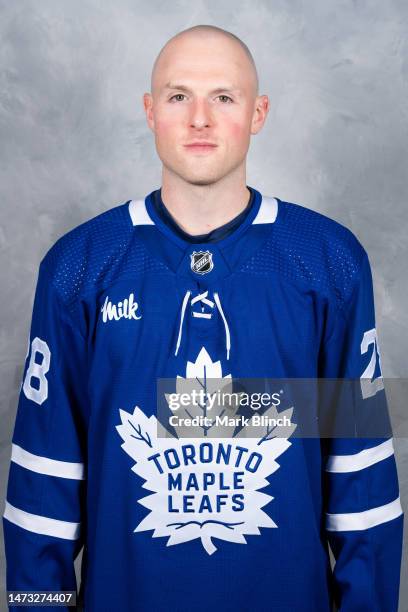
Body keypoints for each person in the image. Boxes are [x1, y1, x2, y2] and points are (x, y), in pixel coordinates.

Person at [2, 24, 404, 612]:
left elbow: (361, 482)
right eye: (177, 96)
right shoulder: (78, 267)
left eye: (223, 97)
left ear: (258, 112)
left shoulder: (328, 262)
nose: (199, 119)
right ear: (149, 111)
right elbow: (44, 491)